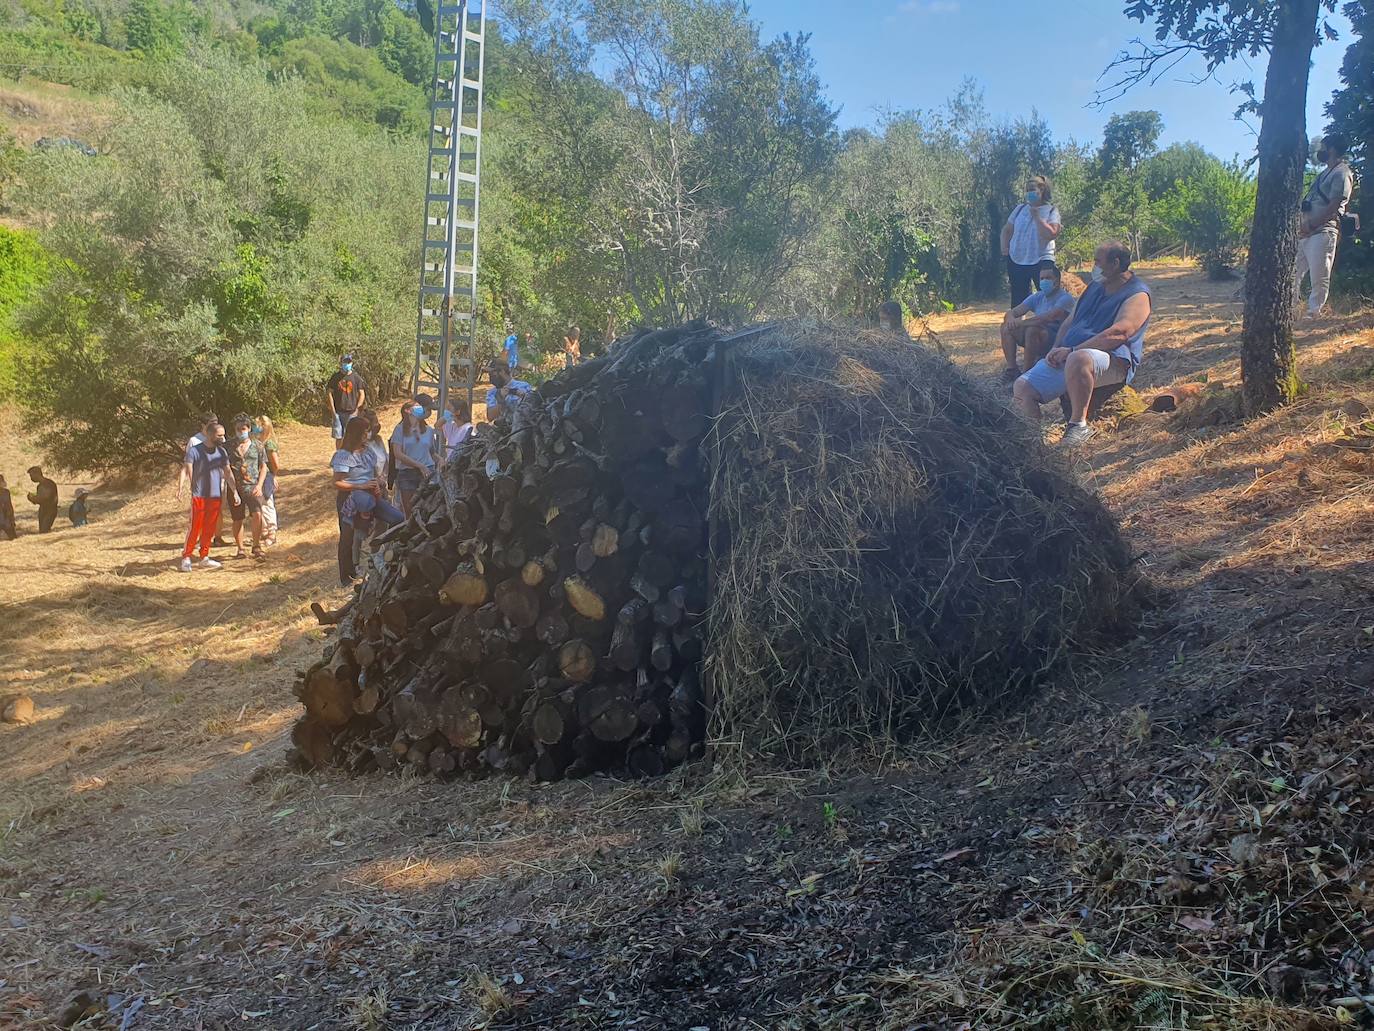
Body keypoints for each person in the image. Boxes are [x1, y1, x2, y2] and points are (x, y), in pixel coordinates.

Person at [1013, 241, 1151, 446]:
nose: (1093, 267)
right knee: (1022, 386)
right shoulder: (1094, 287)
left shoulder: (1137, 294)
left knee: (1079, 359)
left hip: (1114, 360)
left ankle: (1078, 425)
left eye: (1097, 261)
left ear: (1115, 263)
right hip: (1071, 354)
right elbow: (1069, 321)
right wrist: (1055, 349)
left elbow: (1120, 333)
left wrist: (1072, 350)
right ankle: (1034, 446)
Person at [332, 416, 403, 586]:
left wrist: (377, 484)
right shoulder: (344, 455)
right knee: (347, 537)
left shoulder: (368, 451)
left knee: (398, 519)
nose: (368, 435)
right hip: (349, 499)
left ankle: (387, 556)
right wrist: (360, 485)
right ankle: (346, 576)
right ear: (357, 434)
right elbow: (337, 482)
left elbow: (373, 474)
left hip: (371, 496)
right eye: (365, 432)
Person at [1297, 133, 1355, 320]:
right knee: (1292, 273)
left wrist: (1313, 223)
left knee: (1319, 275)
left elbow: (1334, 204)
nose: (1320, 151)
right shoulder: (1323, 174)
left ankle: (1313, 313)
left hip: (1323, 231)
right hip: (1306, 233)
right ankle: (1289, 309)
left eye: (1323, 147)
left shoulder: (1342, 172)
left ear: (1331, 149)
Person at [1000, 262, 1076, 382]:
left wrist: (1020, 323)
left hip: (1056, 339)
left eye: (1048, 278)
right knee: (1006, 327)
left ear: (1057, 280)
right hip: (1038, 333)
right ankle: (1012, 370)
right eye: (1042, 278)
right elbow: (1013, 312)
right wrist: (1010, 320)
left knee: (1032, 330)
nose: (1044, 281)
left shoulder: (1065, 298)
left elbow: (1048, 317)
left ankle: (1026, 375)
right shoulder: (1038, 296)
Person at [179, 420, 236, 572]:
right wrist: (189, 485)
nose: (222, 438)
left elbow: (228, 472)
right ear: (210, 435)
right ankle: (186, 556)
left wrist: (234, 491)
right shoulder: (195, 451)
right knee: (195, 527)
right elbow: (188, 468)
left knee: (210, 528)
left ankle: (204, 556)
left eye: (224, 435)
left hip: (215, 495)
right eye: (219, 435)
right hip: (199, 495)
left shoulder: (222, 452)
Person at [1000, 175, 1062, 308]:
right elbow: (1007, 229)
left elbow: (1051, 234)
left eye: (1032, 189)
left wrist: (1037, 217)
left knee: (1047, 295)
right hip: (1016, 258)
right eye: (1027, 190)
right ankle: (1016, 326)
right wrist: (1004, 246)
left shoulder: (1052, 211)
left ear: (1042, 189)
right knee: (1017, 298)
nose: (1029, 193)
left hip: (1042, 259)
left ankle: (1047, 326)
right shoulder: (1019, 209)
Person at [226, 413, 268, 559]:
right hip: (235, 488)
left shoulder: (258, 445)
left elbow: (263, 467)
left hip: (253, 486)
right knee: (237, 519)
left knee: (257, 514)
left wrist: (260, 485)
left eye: (243, 428)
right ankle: (240, 549)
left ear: (249, 428)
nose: (240, 432)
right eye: (237, 429)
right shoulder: (229, 446)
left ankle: (256, 545)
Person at [389, 399, 437, 516]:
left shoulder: (429, 431)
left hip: (427, 472)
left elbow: (431, 452)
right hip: (407, 474)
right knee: (409, 510)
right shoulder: (399, 430)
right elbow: (398, 453)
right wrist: (418, 465)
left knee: (427, 508)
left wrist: (439, 459)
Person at [326, 354, 367, 449]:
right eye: (345, 362)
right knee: (338, 437)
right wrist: (332, 411)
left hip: (351, 413)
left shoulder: (356, 378)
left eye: (349, 362)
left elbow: (362, 394)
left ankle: (348, 457)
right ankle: (339, 456)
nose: (347, 364)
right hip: (338, 413)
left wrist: (357, 409)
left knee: (349, 437)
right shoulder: (335, 377)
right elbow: (329, 393)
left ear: (352, 363)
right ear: (341, 363)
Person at [253, 415, 281, 547]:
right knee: (259, 504)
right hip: (256, 477)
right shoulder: (256, 442)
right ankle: (263, 531)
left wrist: (273, 476)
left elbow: (275, 464)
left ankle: (271, 533)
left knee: (267, 504)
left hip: (266, 477)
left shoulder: (268, 444)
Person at [440, 395, 474, 466]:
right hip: (448, 464)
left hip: (458, 466)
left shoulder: (468, 428)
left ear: (458, 412)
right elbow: (437, 425)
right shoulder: (452, 425)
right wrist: (446, 417)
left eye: (449, 409)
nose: (446, 411)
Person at [26, 466, 58, 533]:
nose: (31, 478)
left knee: (45, 530)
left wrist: (33, 498)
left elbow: (44, 498)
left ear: (37, 474)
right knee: (43, 531)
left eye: (31, 475)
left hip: (50, 510)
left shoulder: (48, 484)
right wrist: (33, 499)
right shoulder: (40, 486)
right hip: (43, 510)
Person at [0, 474, 16, 541]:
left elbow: (9, 506)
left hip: (6, 519)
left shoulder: (6, 492)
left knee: (13, 538)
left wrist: (12, 519)